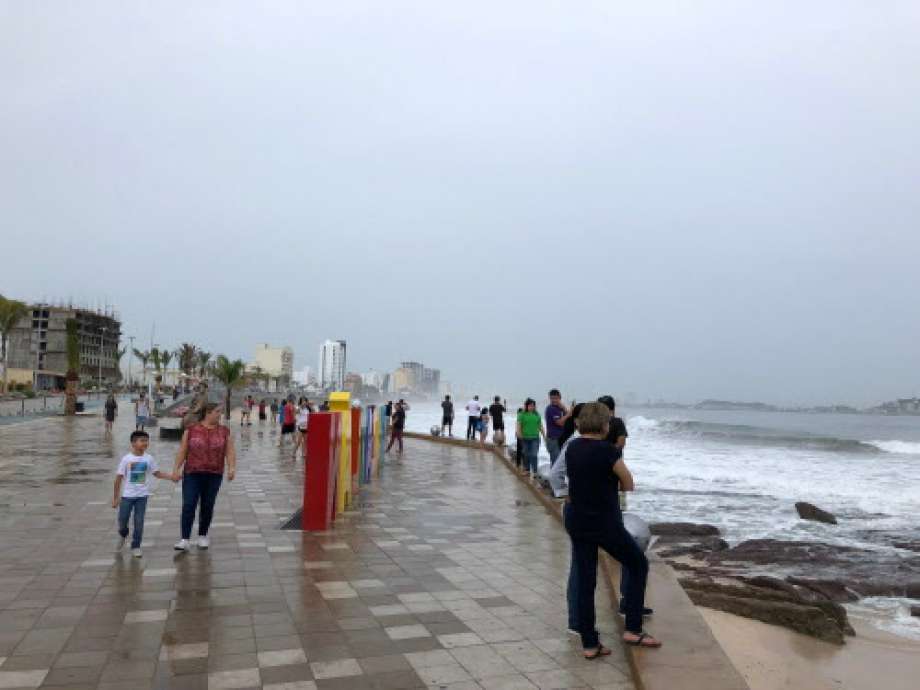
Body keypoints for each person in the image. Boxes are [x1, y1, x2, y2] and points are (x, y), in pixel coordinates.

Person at [555, 402, 660, 654]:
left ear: (579, 424)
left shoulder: (572, 447)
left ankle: (590, 643)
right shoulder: (608, 451)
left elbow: (562, 476)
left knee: (585, 579)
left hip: (577, 520)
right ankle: (633, 629)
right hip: (604, 522)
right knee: (637, 564)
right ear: (605, 425)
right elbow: (628, 483)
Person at [171, 402, 236, 551]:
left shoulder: (225, 431)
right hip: (192, 473)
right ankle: (185, 539)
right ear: (208, 412)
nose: (220, 414)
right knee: (189, 504)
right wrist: (176, 469)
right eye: (217, 411)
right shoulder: (191, 431)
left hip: (214, 474)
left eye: (220, 412)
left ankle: (203, 535)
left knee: (207, 505)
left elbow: (230, 451)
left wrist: (232, 468)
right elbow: (182, 451)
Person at [112, 430, 173, 558]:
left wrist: (171, 477)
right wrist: (116, 498)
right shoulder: (126, 459)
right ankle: (123, 534)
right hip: (127, 496)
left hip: (142, 496)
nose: (145, 443)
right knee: (122, 521)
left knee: (139, 522)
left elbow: (157, 473)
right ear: (133, 443)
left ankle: (136, 545)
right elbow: (118, 479)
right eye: (142, 441)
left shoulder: (149, 458)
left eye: (146, 440)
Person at [515, 399, 545, 478]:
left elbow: (540, 426)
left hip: (535, 438)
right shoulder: (522, 414)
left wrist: (544, 436)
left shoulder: (537, 415)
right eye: (530, 405)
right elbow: (518, 425)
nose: (531, 407)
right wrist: (518, 433)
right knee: (526, 454)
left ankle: (535, 471)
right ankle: (527, 470)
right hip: (525, 438)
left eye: (533, 406)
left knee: (534, 455)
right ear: (526, 406)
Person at [544, 389, 570, 465]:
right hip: (553, 439)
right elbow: (559, 423)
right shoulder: (551, 408)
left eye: (556, 398)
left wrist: (564, 408)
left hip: (560, 438)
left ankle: (556, 476)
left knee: (560, 462)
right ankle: (554, 477)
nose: (554, 400)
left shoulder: (559, 408)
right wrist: (567, 414)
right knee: (556, 462)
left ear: (560, 398)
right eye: (552, 398)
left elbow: (569, 417)